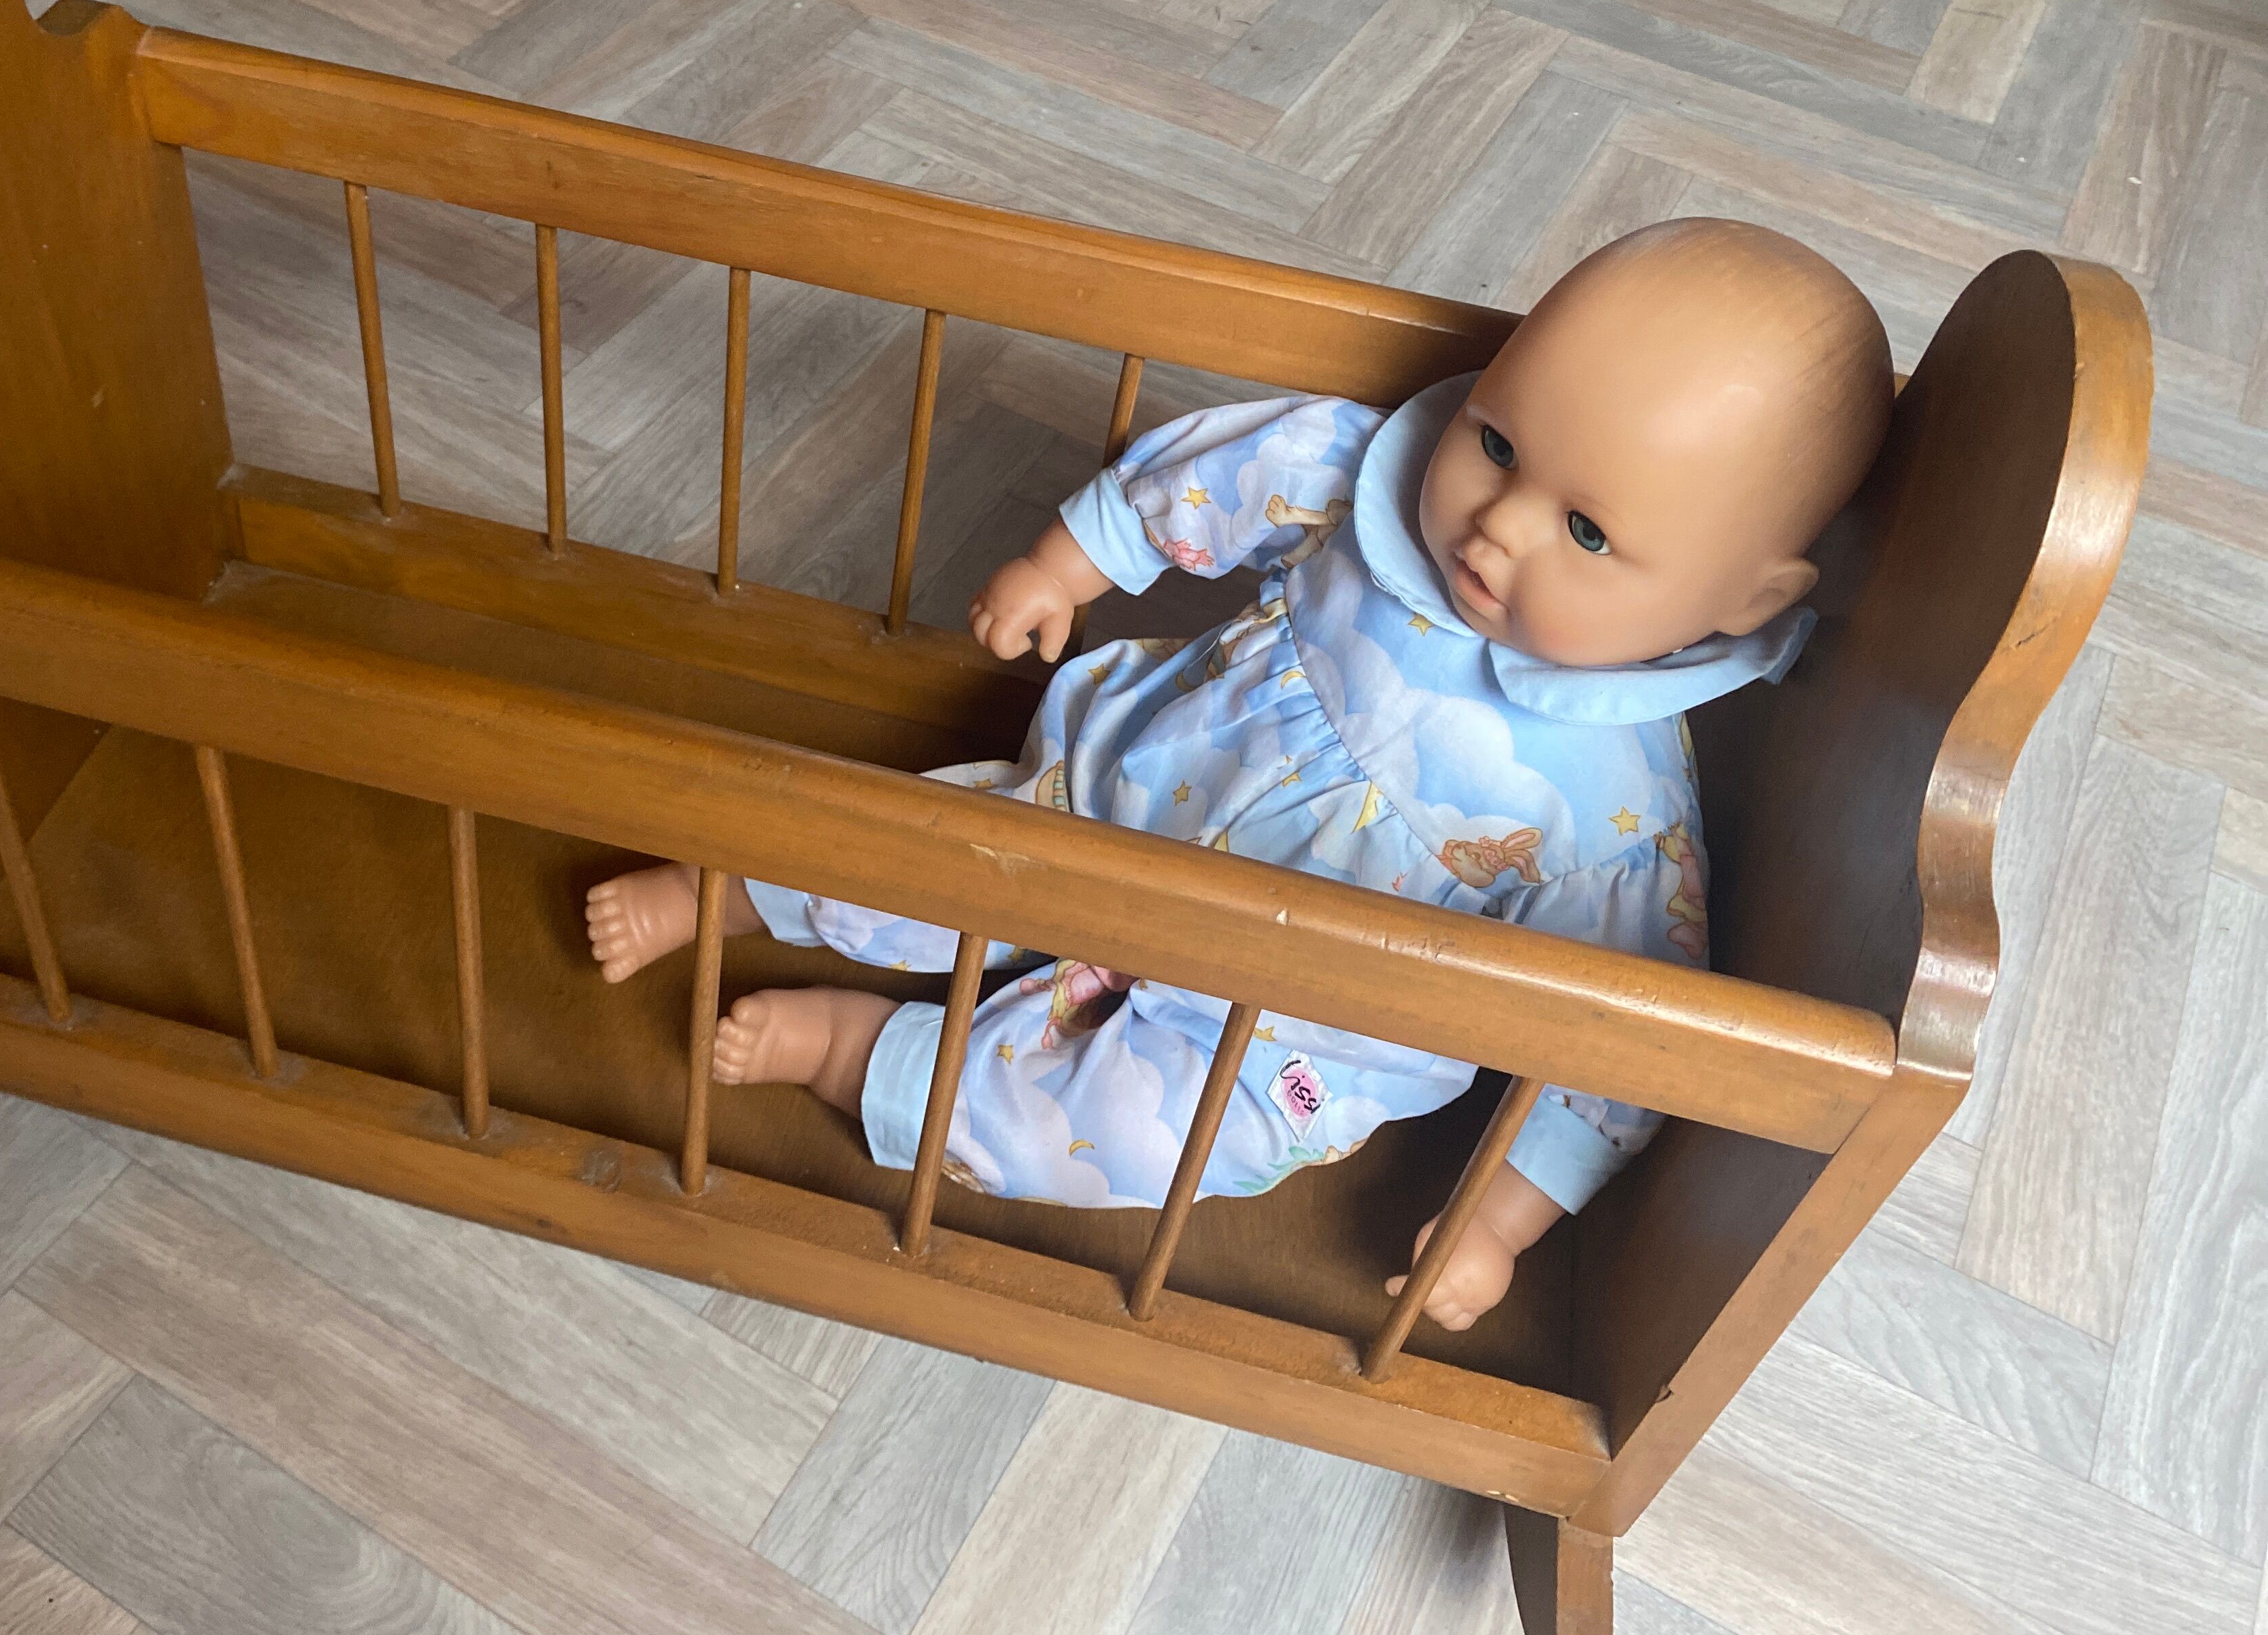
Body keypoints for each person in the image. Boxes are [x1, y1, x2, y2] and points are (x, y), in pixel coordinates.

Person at [584, 218, 1893, 1331]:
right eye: (1498, 444)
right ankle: (731, 889)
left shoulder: (1624, 822)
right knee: (921, 841)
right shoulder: (1371, 494)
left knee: (1128, 1136)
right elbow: (1220, 474)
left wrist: (1498, 1222)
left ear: (1741, 602)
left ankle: (859, 1052)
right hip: (1122, 801)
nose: (1497, 526)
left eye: (1589, 531)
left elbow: (1611, 1054)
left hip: (1283, 1033)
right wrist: (1065, 566)